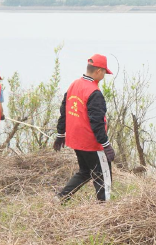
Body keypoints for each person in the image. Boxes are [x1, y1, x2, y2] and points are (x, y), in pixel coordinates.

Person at [54, 54, 115, 202]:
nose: (104, 76)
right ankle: (104, 211)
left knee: (85, 172)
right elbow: (97, 122)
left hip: (76, 140)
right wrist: (106, 145)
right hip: (92, 144)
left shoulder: (74, 85)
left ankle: (61, 198)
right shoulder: (95, 92)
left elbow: (64, 111)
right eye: (104, 73)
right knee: (103, 178)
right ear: (98, 71)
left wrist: (61, 133)